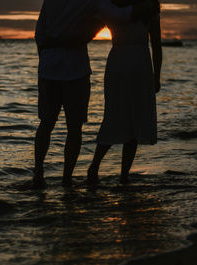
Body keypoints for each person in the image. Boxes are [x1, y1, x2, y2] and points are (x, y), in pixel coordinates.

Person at [33, 0, 154, 189]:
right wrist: (146, 6)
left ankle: (38, 173)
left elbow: (39, 34)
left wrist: (47, 58)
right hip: (76, 69)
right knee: (74, 128)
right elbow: (118, 15)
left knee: (46, 123)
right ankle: (66, 178)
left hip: (49, 68)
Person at [87, 0, 162, 187]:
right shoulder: (126, 7)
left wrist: (157, 75)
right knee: (122, 117)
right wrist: (156, 76)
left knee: (123, 118)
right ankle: (106, 171)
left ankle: (112, 172)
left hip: (127, 62)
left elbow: (157, 45)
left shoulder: (123, 7)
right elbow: (157, 45)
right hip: (132, 61)